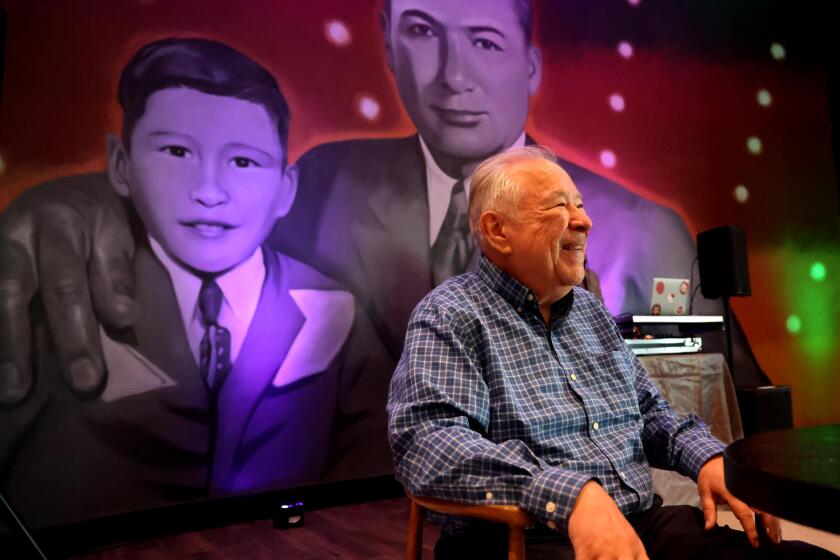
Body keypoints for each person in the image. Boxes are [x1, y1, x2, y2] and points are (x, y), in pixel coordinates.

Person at [0, 0, 705, 407]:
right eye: (423, 32)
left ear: (530, 64)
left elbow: (697, 415)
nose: (453, 75)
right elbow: (205, 228)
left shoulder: (646, 235)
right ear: (389, 48)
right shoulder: (320, 184)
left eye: (485, 41)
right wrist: (92, 204)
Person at [0, 38, 392, 528]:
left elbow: (376, 459)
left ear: (285, 189)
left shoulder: (333, 308)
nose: (209, 192)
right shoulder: (70, 293)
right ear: (121, 165)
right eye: (177, 152)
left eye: (243, 162)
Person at [387, 146, 835, 559]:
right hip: (523, 539)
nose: (584, 220)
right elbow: (427, 445)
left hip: (641, 523)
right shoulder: (449, 314)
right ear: (497, 230)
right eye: (560, 206)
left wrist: (710, 457)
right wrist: (570, 496)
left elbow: (650, 414)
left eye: (579, 204)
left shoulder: (590, 311)